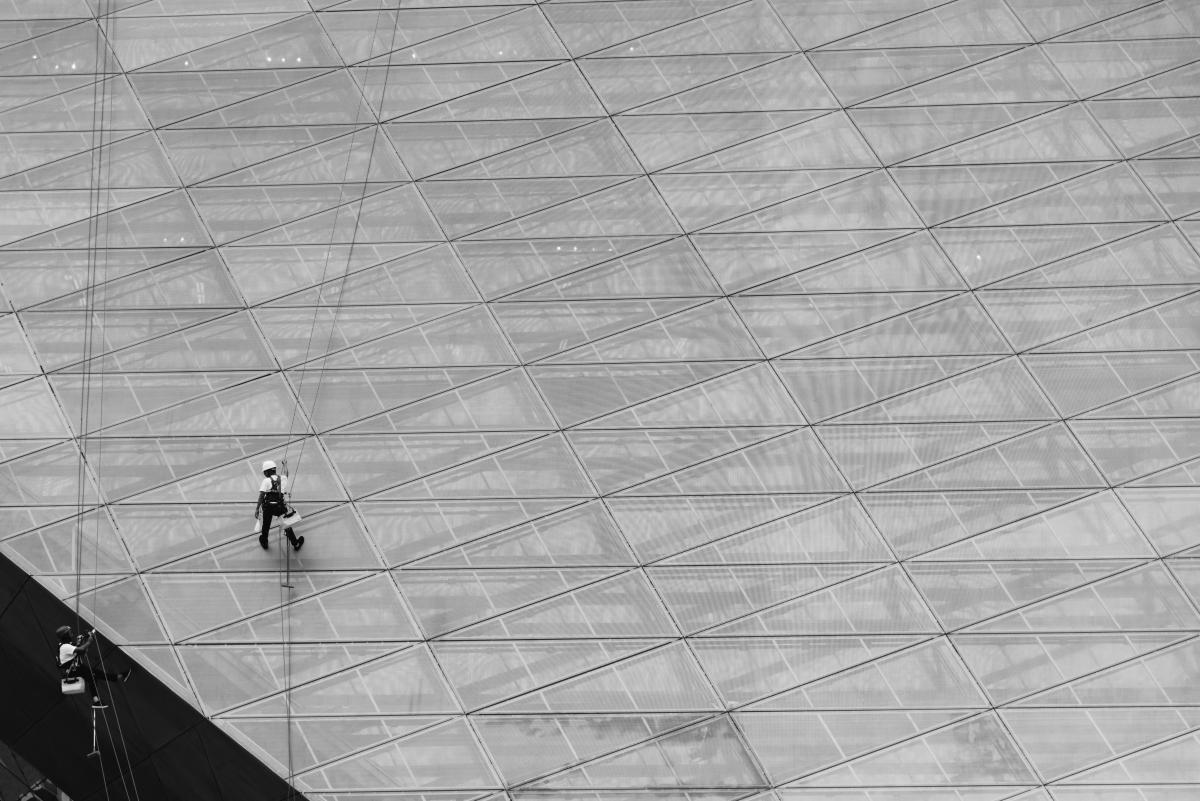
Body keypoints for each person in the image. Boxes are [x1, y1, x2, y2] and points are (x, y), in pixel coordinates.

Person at [56, 625, 129, 709]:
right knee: (94, 675)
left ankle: (98, 698)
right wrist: (89, 641)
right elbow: (81, 650)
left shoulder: (67, 645)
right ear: (66, 635)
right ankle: (116, 679)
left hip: (76, 669)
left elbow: (81, 652)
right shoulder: (64, 647)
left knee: (94, 675)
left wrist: (82, 641)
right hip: (74, 671)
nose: (71, 633)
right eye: (69, 632)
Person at [256, 460, 303, 552]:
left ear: (268, 471)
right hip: (279, 506)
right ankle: (295, 543)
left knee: (266, 524)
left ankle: (264, 542)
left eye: (265, 472)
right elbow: (286, 473)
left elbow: (261, 495)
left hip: (268, 507)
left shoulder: (266, 481)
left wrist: (257, 509)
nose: (264, 474)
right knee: (285, 524)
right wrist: (285, 464)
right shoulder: (283, 478)